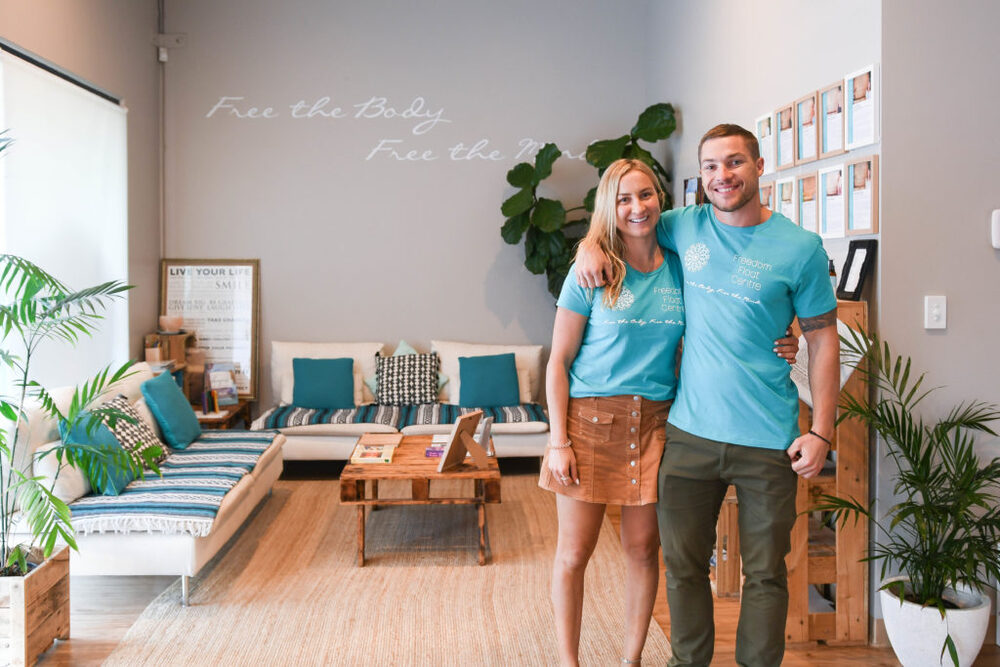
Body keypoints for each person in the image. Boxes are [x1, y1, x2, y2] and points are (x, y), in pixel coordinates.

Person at [573, 125, 839, 667]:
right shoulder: (684, 226)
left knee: (765, 573)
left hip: (769, 438)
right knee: (683, 567)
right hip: (689, 436)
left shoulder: (800, 248)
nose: (723, 176)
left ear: (760, 167)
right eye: (712, 166)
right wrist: (586, 245)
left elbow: (822, 338)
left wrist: (821, 431)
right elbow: (623, 217)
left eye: (735, 162)